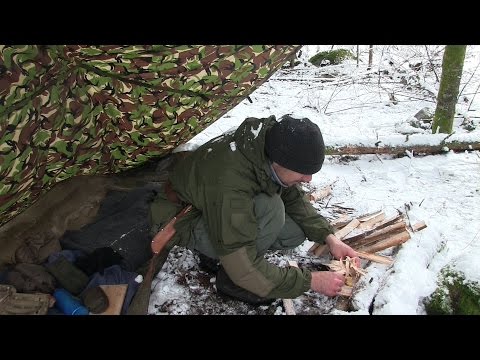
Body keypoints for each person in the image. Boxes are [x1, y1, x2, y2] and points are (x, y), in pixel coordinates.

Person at [149, 114, 358, 305]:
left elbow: (292, 197)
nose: (308, 179)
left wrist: (329, 238)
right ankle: (229, 279)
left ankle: (223, 256)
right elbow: (243, 267)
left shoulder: (266, 146)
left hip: (213, 206)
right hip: (182, 217)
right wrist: (309, 281)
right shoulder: (231, 182)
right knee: (271, 210)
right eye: (303, 172)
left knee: (294, 232)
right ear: (278, 161)